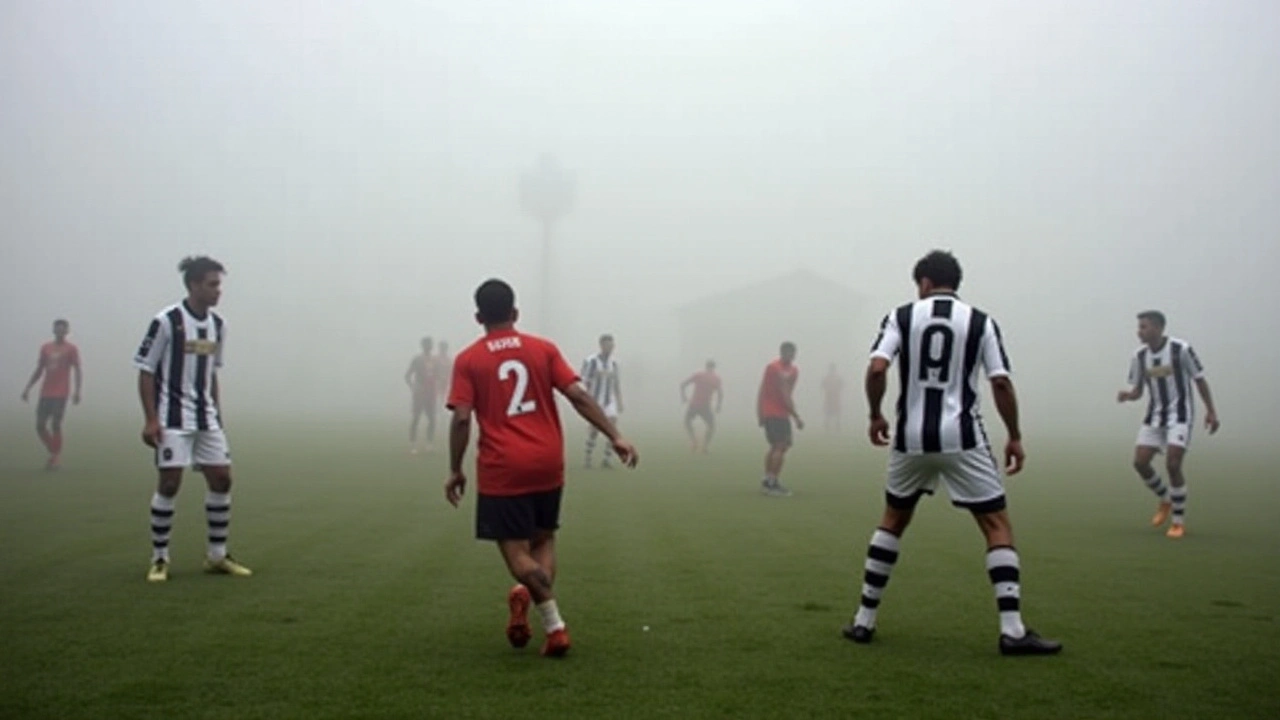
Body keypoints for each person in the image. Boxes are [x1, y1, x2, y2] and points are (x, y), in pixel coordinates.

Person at [842, 250, 1060, 656]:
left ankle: (863, 621)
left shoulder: (901, 316)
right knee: (996, 524)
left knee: (893, 519)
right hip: (963, 437)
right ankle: (1012, 631)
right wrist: (1014, 435)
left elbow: (876, 368)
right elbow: (1000, 384)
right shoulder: (981, 322)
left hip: (910, 437)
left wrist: (875, 414)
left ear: (924, 283)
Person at [445, 279, 638, 657]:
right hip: (549, 461)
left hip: (503, 466)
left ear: (479, 317)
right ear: (515, 313)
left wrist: (455, 468)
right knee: (544, 539)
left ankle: (555, 626)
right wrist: (615, 435)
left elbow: (462, 419)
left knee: (516, 552)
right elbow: (578, 395)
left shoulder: (469, 360)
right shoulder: (543, 349)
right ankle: (526, 598)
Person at [133, 256, 251, 583]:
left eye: (219, 284)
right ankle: (159, 559)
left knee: (222, 480)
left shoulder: (218, 325)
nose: (218, 291)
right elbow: (145, 371)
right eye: (212, 284)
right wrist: (151, 419)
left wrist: (218, 415)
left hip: (206, 418)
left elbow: (212, 373)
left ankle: (216, 556)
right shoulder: (167, 321)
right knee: (170, 483)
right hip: (172, 418)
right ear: (194, 285)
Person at [1116, 310, 1220, 539]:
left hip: (1180, 416)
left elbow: (1199, 379)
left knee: (1173, 464)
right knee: (1140, 462)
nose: (1139, 331)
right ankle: (1165, 498)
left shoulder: (1180, 349)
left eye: (1144, 326)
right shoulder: (1139, 356)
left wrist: (1211, 411)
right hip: (1155, 416)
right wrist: (1128, 396)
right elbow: (1138, 390)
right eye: (1139, 327)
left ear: (1159, 328)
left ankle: (1177, 523)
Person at [21, 318, 82, 470]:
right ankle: (53, 449)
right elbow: (39, 369)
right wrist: (28, 387)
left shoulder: (71, 349)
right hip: (45, 392)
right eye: (57, 329)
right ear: (54, 330)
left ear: (67, 331)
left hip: (61, 393)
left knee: (56, 423)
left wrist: (77, 391)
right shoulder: (46, 348)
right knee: (40, 425)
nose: (60, 331)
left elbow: (77, 370)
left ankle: (55, 457)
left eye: (63, 329)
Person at [757, 342, 803, 496]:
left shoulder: (794, 370)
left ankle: (768, 478)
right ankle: (772, 482)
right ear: (782, 352)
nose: (791, 355)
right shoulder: (774, 368)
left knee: (778, 446)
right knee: (780, 446)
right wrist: (796, 416)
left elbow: (788, 393)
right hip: (773, 412)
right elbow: (778, 392)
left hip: (782, 413)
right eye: (788, 352)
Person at [581, 334, 624, 469]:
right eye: (607, 345)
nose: (610, 348)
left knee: (612, 427)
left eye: (611, 345)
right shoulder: (591, 361)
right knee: (594, 429)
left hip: (609, 400)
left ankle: (607, 459)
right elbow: (585, 381)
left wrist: (619, 400)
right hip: (595, 399)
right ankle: (588, 457)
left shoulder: (614, 363)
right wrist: (586, 400)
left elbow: (616, 383)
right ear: (601, 345)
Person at [405, 337, 440, 453]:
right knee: (416, 417)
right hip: (419, 394)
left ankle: (429, 443)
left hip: (431, 393)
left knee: (432, 419)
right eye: (426, 345)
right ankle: (413, 443)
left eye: (429, 345)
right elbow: (408, 375)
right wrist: (413, 387)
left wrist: (437, 387)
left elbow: (438, 376)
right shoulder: (417, 360)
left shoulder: (435, 360)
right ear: (423, 346)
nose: (428, 347)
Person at [680, 360, 722, 453]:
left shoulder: (699, 375)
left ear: (706, 367)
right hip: (704, 406)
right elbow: (720, 393)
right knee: (711, 426)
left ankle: (694, 440)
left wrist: (683, 397)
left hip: (695, 404)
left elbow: (683, 385)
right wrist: (718, 405)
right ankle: (704, 446)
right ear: (714, 368)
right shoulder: (716, 379)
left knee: (687, 422)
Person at [821, 363, 844, 434]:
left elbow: (842, 385)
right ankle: (827, 426)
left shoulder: (837, 378)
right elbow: (823, 385)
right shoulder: (828, 377)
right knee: (828, 412)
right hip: (829, 396)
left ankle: (837, 426)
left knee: (836, 412)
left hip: (835, 396)